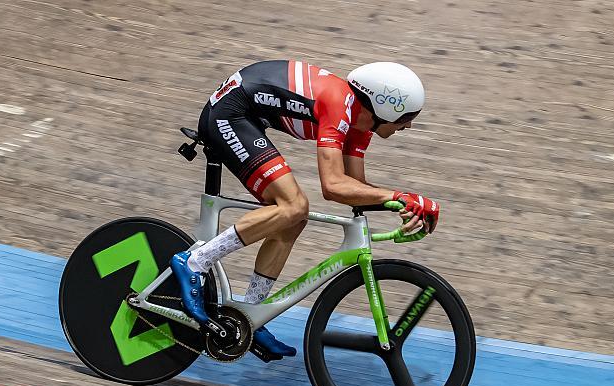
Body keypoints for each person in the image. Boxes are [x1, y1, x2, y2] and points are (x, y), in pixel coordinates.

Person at [170, 60, 440, 359]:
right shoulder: (340, 105)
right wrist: (400, 195)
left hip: (247, 115)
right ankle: (195, 261)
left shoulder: (361, 124)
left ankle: (251, 313)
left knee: (292, 220)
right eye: (407, 117)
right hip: (230, 113)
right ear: (385, 107)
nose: (410, 125)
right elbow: (333, 186)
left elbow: (354, 190)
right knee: (294, 206)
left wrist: (402, 205)